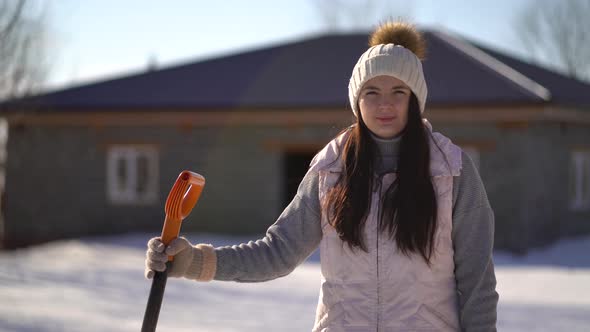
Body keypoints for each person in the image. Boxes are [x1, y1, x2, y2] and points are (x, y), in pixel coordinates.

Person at [145, 21, 498, 331]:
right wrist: (195, 262)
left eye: (398, 92)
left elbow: (476, 283)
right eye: (371, 93)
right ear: (357, 101)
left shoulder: (452, 172)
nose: (384, 105)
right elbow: (277, 252)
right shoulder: (331, 170)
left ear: (415, 100)